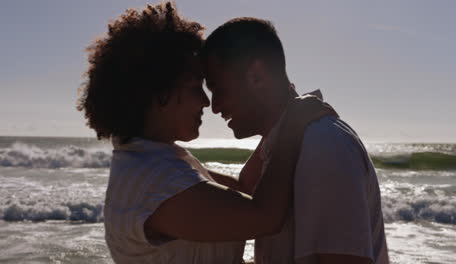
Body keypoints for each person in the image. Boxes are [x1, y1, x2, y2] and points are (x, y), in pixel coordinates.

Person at [76, 2, 321, 263]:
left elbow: (247, 187)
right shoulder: (156, 182)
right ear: (160, 92)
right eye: (196, 88)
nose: (206, 102)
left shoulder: (150, 161)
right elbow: (265, 216)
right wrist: (293, 122)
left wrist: (280, 108)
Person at [202, 17, 390, 264]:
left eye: (219, 89)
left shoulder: (322, 145)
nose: (214, 107)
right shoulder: (284, 144)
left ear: (256, 76)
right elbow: (246, 190)